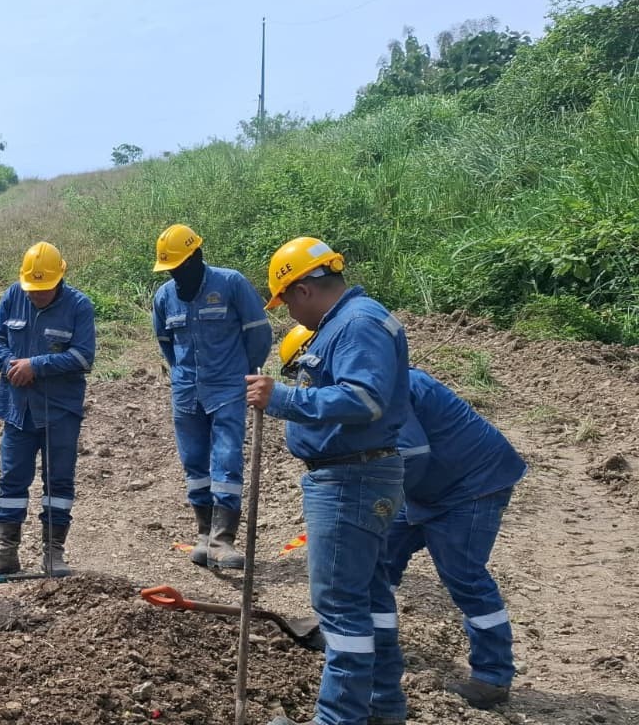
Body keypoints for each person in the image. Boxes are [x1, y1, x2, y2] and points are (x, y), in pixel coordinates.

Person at [280, 329, 527, 710]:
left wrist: (365, 510)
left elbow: (413, 452)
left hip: (470, 485)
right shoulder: (363, 386)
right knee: (378, 563)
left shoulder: (389, 388)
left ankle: (492, 677)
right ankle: (366, 649)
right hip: (422, 487)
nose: (302, 381)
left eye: (301, 369)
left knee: (464, 576)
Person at [245, 237, 410, 725]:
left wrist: (284, 400)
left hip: (350, 480)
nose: (292, 315)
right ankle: (382, 706)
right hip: (361, 474)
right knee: (369, 597)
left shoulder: (355, 325)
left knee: (339, 606)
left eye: (288, 302)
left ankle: (339, 718)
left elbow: (364, 401)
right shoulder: (354, 320)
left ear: (303, 290)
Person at [151, 223, 271, 568]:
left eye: (180, 266)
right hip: (186, 390)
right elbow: (166, 344)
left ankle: (223, 540)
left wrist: (242, 373)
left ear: (197, 256)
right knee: (194, 464)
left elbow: (258, 334)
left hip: (228, 387)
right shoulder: (164, 297)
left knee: (227, 459)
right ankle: (204, 533)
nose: (176, 275)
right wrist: (182, 374)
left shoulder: (230, 283)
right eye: (170, 269)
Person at [0, 241, 95, 577]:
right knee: (12, 480)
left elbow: (83, 356)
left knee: (58, 483)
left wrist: (37, 366)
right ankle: (6, 553)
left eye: (42, 290)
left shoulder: (79, 306)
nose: (35, 296)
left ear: (60, 279)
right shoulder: (14, 295)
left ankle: (53, 554)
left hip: (60, 411)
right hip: (17, 409)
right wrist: (9, 363)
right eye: (32, 289)